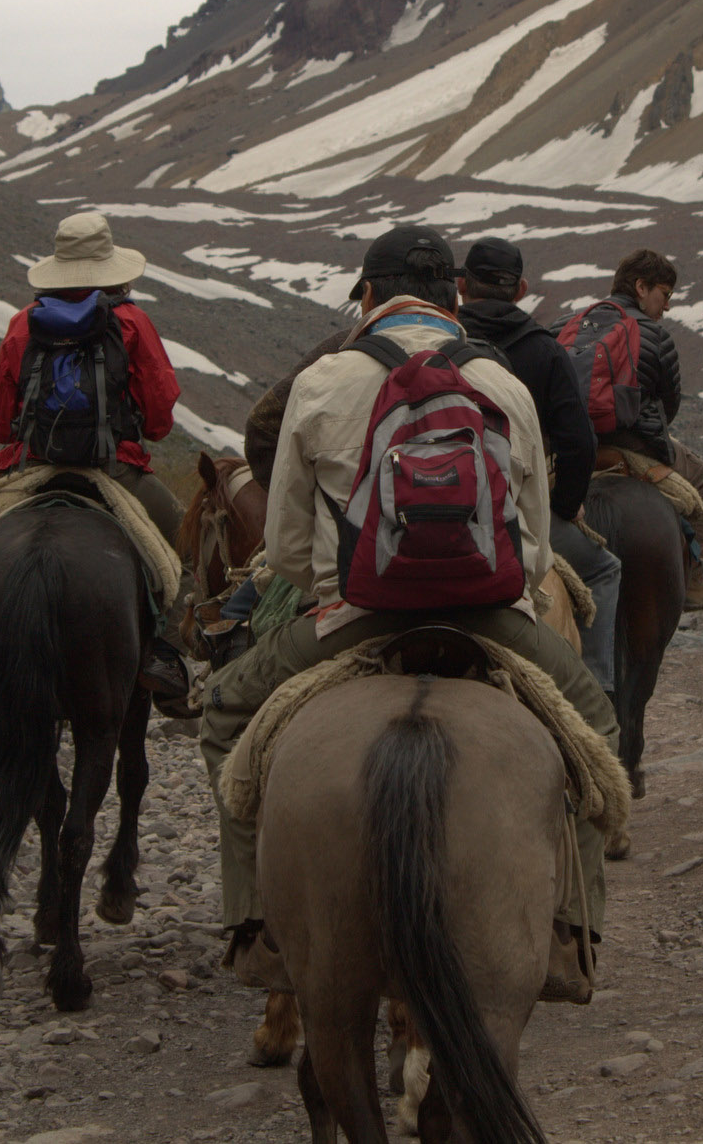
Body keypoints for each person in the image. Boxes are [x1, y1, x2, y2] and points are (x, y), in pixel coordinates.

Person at [200, 225, 618, 1002]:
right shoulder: (504, 384)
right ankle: (570, 933)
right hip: (488, 615)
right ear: (454, 296)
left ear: (367, 294)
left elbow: (289, 548)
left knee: (224, 717)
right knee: (595, 729)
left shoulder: (322, 382)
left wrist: (341, 582)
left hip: (358, 615)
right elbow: (530, 550)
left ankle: (257, 929)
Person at [0, 210, 192, 701]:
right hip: (114, 470)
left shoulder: (23, 323)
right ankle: (162, 655)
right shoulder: (132, 322)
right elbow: (159, 416)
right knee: (182, 540)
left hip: (33, 468)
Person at [454, 236, 625, 700]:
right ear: (522, 288)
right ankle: (594, 688)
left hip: (432, 502)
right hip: (517, 511)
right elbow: (578, 441)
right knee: (604, 570)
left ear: (462, 285)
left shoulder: (442, 338)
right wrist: (565, 507)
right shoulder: (544, 350)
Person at [582, 247, 703, 602]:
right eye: (665, 294)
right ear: (641, 287)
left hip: (577, 449)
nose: (668, 306)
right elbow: (668, 407)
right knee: (701, 475)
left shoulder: (566, 325)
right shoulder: (655, 334)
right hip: (635, 448)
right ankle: (693, 581)